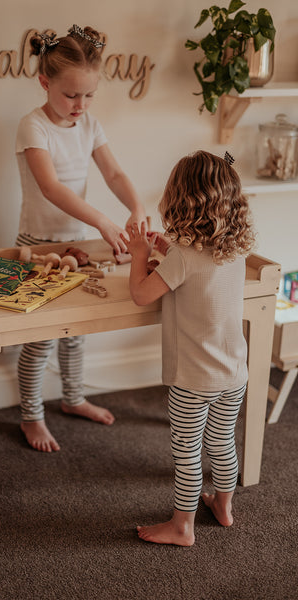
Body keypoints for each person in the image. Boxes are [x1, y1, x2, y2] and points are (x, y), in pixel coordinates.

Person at [15, 24, 146, 452]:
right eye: (71, 95)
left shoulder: (89, 124)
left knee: (77, 332)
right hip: (39, 244)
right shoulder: (33, 127)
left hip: (80, 245)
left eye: (88, 95)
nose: (80, 105)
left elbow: (115, 173)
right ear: (45, 82)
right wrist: (105, 223)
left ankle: (72, 398)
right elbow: (53, 188)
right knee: (41, 338)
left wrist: (136, 207)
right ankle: (31, 415)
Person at [121, 150, 255, 546]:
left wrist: (142, 255)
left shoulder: (181, 257)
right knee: (223, 441)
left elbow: (142, 295)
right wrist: (166, 250)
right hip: (234, 374)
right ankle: (224, 506)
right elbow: (198, 271)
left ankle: (182, 526)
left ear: (178, 200)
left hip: (193, 380)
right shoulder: (235, 250)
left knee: (187, 452)